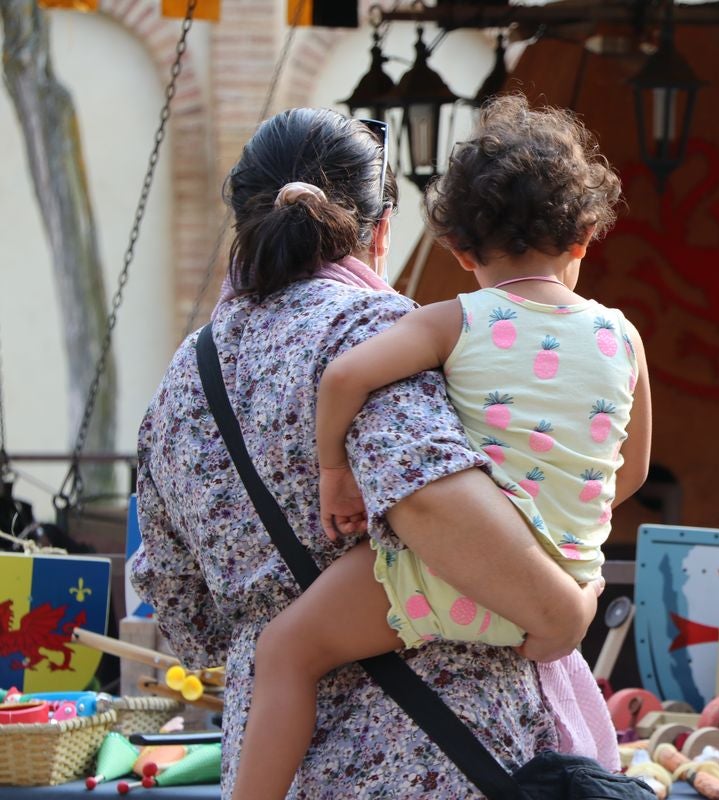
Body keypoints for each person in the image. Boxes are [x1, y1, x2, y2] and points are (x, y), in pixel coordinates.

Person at [129, 106, 602, 799]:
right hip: (436, 757)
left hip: (271, 767)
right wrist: (563, 609)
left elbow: (186, 614)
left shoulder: (182, 379)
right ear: (379, 231)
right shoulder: (372, 330)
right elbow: (431, 498)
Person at [233, 95, 651, 800]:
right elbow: (627, 471)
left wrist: (335, 471)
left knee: (286, 652)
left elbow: (344, 378)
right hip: (562, 581)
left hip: (444, 585)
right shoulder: (623, 336)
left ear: (459, 250)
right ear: (584, 237)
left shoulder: (452, 321)